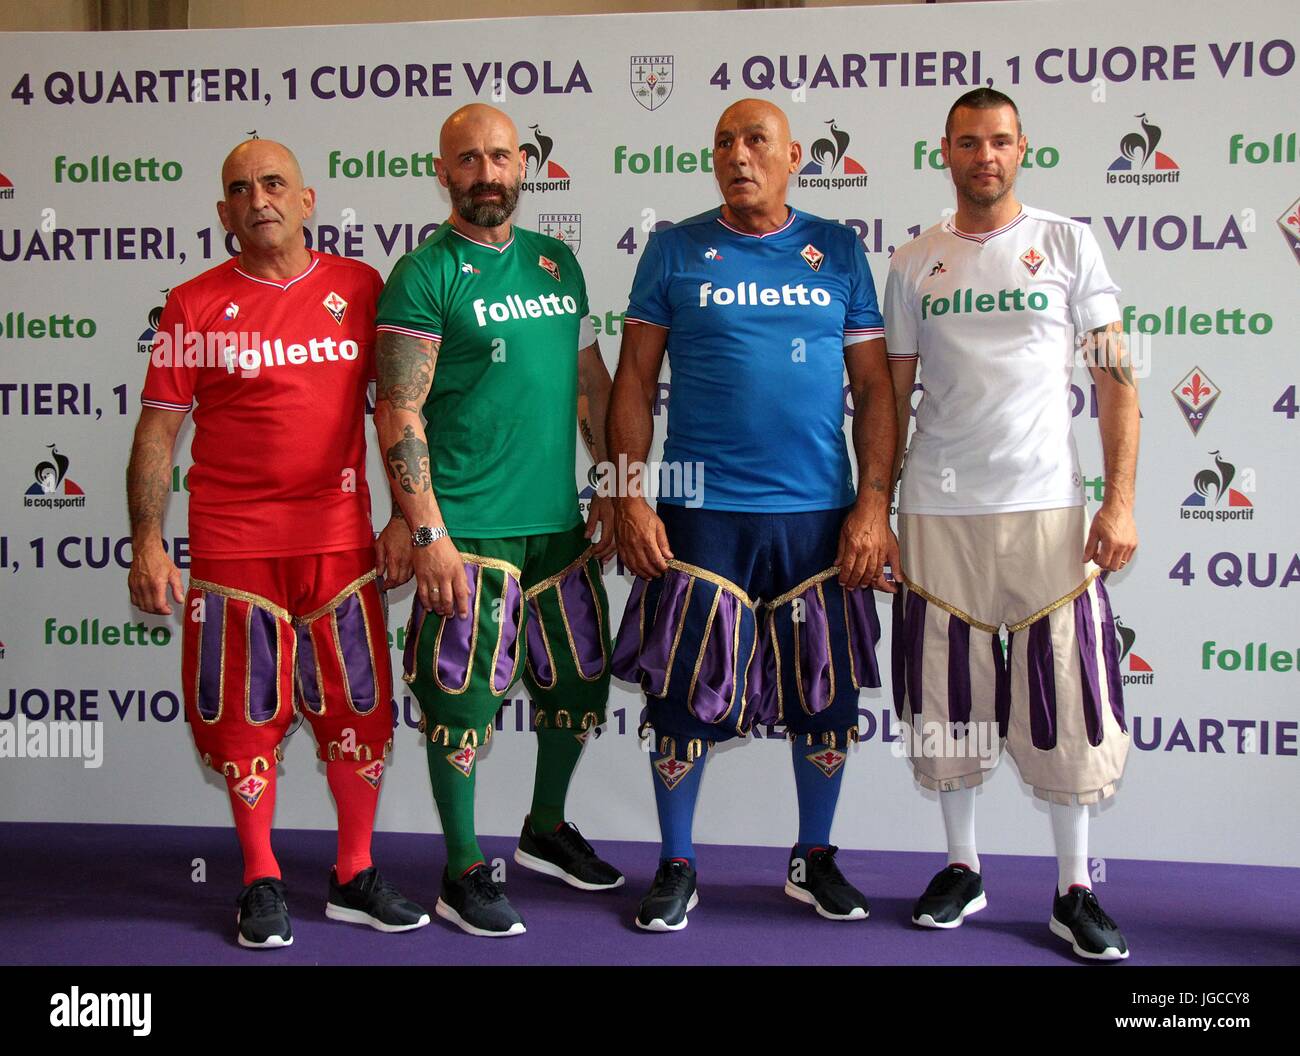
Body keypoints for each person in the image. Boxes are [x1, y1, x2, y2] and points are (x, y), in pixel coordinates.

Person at [127, 138, 429, 948]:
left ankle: (354, 873)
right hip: (234, 550)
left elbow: (399, 408)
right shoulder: (191, 305)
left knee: (359, 713)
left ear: (307, 200)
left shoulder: (363, 288)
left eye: (273, 183)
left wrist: (407, 516)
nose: (257, 198)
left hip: (339, 542)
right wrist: (147, 540)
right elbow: (159, 432)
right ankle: (260, 878)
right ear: (223, 214)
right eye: (239, 189)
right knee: (240, 721)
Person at [608, 98, 897, 931]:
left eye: (756, 141)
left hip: (817, 511)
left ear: (793, 156)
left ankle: (814, 858)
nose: (738, 155)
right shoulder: (672, 248)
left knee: (826, 694)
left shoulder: (838, 248)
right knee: (681, 693)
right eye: (725, 142)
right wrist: (629, 489)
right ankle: (676, 863)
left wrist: (873, 505)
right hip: (700, 511)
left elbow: (877, 388)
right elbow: (632, 380)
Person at [884, 88, 1139, 960]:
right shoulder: (915, 259)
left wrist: (1120, 500)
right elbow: (887, 399)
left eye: (998, 141)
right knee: (943, 691)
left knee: (1065, 690)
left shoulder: (1069, 243)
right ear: (944, 152)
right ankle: (963, 865)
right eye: (967, 142)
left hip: (1049, 507)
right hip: (937, 507)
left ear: (1021, 147)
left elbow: (1116, 381)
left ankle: (1073, 886)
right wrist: (873, 510)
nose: (983, 156)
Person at [373, 104, 622, 939]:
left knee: (579, 686)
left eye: (501, 158)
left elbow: (592, 383)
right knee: (462, 703)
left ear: (526, 166)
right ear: (442, 172)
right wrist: (427, 531)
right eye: (468, 160)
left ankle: (545, 828)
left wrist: (617, 482)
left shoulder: (558, 263)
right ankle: (462, 868)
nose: (487, 175)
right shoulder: (424, 273)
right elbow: (399, 411)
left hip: (558, 527)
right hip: (468, 529)